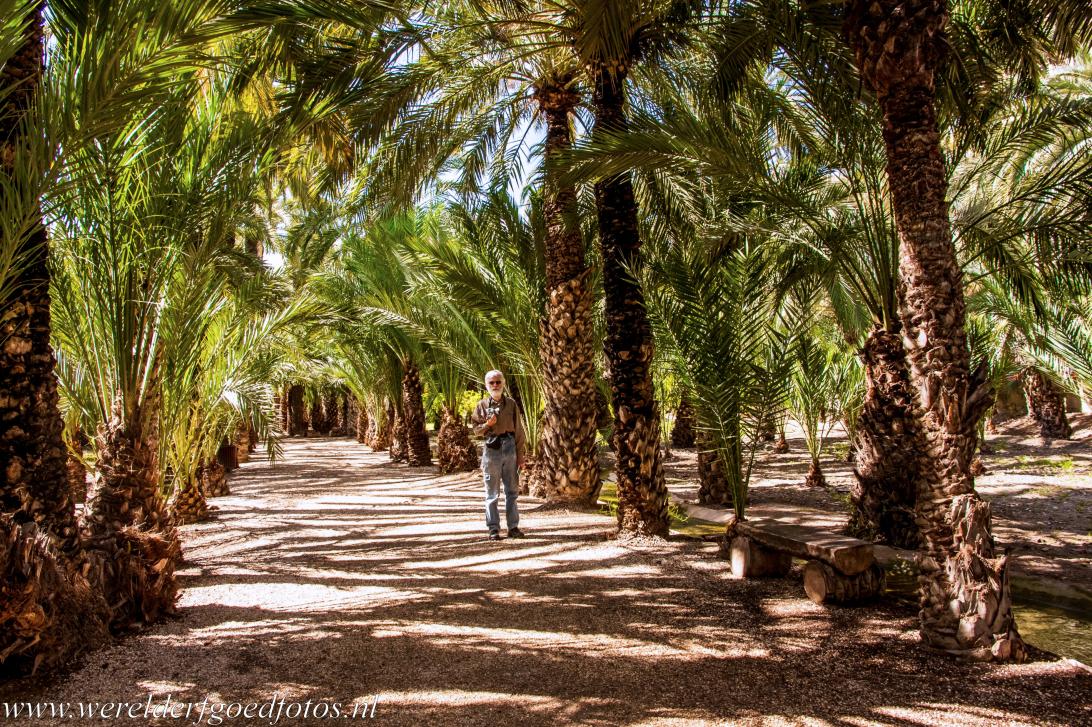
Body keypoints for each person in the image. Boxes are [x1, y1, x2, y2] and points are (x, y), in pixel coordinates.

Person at [471, 369, 526, 540]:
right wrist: (488, 424)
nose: (495, 385)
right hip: (491, 449)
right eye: (492, 383)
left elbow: (519, 431)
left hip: (509, 447)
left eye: (498, 382)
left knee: (512, 491)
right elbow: (476, 431)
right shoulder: (481, 406)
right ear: (486, 385)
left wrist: (521, 456)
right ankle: (493, 529)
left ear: (503, 383)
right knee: (492, 493)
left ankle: (513, 527)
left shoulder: (511, 404)